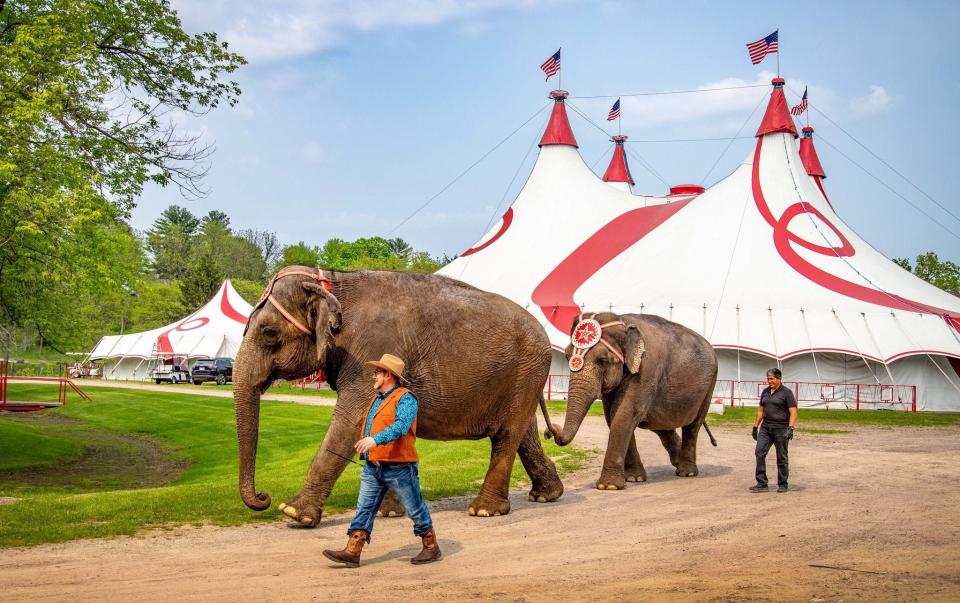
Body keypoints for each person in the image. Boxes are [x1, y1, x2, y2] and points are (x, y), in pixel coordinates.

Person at [322, 353, 441, 567]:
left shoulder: (406, 398)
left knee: (415, 509)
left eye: (377, 372)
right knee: (364, 509)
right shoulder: (377, 400)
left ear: (388, 375)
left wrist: (374, 440)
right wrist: (366, 447)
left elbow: (401, 426)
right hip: (373, 467)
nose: (373, 376)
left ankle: (431, 547)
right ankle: (352, 551)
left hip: (399, 468)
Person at [749, 368, 798, 493]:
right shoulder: (765, 392)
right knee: (759, 452)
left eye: (772, 379)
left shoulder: (787, 393)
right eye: (768, 379)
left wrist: (791, 428)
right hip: (765, 428)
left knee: (781, 457)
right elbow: (760, 411)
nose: (769, 381)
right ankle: (761, 483)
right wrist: (755, 427)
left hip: (781, 429)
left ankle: (783, 484)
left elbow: (793, 411)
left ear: (779, 378)